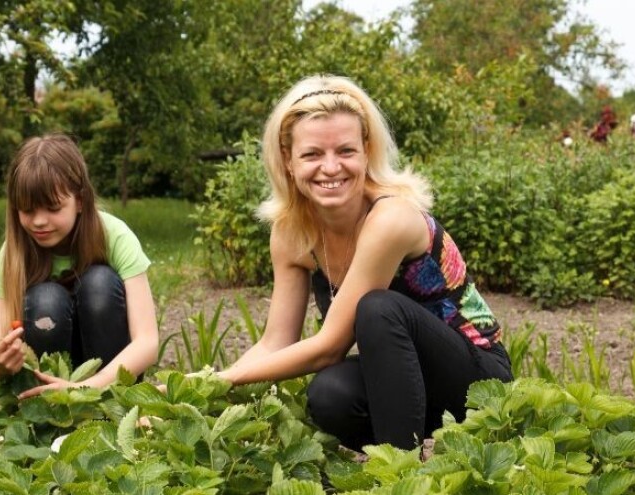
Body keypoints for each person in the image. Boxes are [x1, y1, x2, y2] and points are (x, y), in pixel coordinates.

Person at [208, 75, 513, 451]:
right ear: (287, 160)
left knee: (378, 309)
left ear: (367, 151)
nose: (331, 167)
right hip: (404, 386)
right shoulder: (291, 234)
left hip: (476, 379)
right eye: (312, 154)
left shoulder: (391, 218)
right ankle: (399, 453)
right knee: (329, 394)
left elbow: (328, 347)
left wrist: (220, 381)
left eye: (346, 151)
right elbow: (274, 344)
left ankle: (396, 478)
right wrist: (198, 390)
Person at [0, 133, 159, 398]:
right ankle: (50, 415)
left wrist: (86, 389)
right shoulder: (14, 252)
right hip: (48, 388)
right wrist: (0, 363)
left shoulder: (115, 236)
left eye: (53, 208)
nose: (39, 221)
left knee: (99, 283)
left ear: (80, 201)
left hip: (110, 383)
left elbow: (148, 343)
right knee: (45, 299)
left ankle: (110, 410)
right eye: (27, 210)